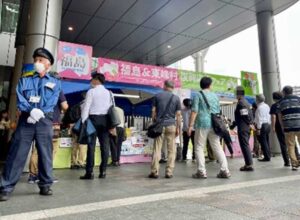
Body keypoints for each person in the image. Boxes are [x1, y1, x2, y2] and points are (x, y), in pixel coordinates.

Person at [0, 48, 61, 201]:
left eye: (40, 60)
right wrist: (31, 110)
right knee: (17, 153)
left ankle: (45, 184)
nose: (37, 63)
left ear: (48, 64)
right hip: (26, 121)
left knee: (45, 153)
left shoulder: (55, 82)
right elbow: (21, 98)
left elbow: (52, 102)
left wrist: (39, 112)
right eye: (35, 60)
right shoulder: (24, 80)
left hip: (44, 121)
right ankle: (5, 187)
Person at [189, 77, 231, 179]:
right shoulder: (215, 96)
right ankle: (225, 170)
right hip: (214, 124)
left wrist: (190, 126)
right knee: (217, 146)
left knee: (199, 147)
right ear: (210, 85)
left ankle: (201, 171)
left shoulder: (198, 95)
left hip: (202, 124)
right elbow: (218, 111)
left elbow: (194, 111)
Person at [28, 90, 68, 183]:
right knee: (52, 148)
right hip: (52, 122)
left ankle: (33, 175)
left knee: (38, 148)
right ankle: (45, 174)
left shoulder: (38, 87)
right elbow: (65, 106)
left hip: (38, 120)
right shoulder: (57, 89)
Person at [80, 73, 113, 179]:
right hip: (105, 120)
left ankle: (89, 173)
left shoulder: (91, 91)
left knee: (91, 147)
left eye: (92, 79)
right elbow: (112, 109)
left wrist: (84, 121)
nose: (91, 81)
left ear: (97, 80)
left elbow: (86, 107)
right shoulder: (109, 93)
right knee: (105, 147)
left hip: (93, 120)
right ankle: (103, 172)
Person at [148, 80, 181, 179]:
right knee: (171, 150)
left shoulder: (157, 96)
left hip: (160, 125)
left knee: (157, 148)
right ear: (173, 87)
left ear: (165, 86)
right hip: (171, 125)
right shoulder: (176, 98)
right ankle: (169, 172)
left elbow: (153, 111)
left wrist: (155, 122)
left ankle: (154, 171)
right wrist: (178, 128)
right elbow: (178, 115)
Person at [230, 86, 254, 171]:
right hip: (245, 126)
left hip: (243, 127)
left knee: (244, 145)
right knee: (245, 145)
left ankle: (248, 164)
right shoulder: (246, 102)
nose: (235, 95)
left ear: (239, 94)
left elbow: (244, 115)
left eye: (235, 93)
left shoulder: (241, 103)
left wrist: (249, 122)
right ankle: (248, 163)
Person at [278, 86, 300, 170]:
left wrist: (282, 126)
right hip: (299, 124)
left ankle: (294, 164)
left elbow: (280, 116)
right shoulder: (298, 99)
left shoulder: (281, 102)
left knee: (290, 145)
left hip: (288, 126)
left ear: (284, 92)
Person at [270, 92, 290, 166]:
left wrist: (273, 127)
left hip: (279, 126)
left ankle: (287, 161)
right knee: (291, 142)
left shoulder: (274, 105)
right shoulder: (285, 103)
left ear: (274, 98)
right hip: (287, 124)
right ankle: (297, 158)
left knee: (283, 144)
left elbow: (273, 116)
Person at [255, 94, 271, 162]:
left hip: (262, 126)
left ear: (258, 100)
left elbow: (259, 119)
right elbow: (269, 116)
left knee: (263, 142)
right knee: (267, 141)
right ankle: (268, 155)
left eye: (256, 99)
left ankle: (267, 157)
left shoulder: (259, 108)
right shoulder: (267, 106)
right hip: (267, 124)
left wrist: (258, 128)